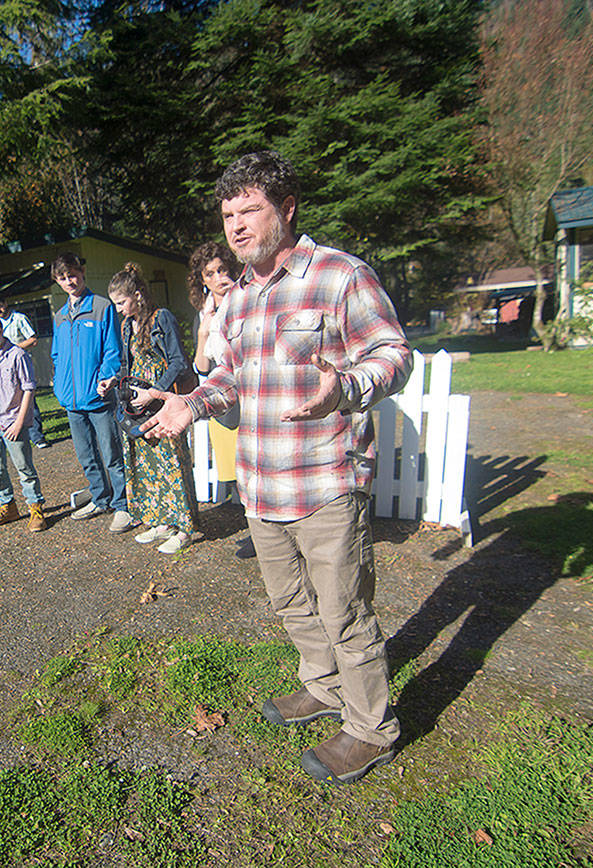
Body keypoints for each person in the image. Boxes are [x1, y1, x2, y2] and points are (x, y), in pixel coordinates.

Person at [141, 151, 413, 784]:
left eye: (250, 211)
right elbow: (230, 378)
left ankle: (371, 728)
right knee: (290, 601)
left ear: (287, 209)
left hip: (325, 480)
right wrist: (190, 403)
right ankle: (324, 686)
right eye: (228, 215)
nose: (236, 227)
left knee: (344, 611)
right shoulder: (236, 299)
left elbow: (394, 355)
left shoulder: (341, 276)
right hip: (260, 484)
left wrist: (346, 386)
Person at [100, 263, 197, 554]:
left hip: (162, 400)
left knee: (172, 461)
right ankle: (162, 520)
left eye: (121, 302)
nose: (118, 309)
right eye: (116, 303)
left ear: (138, 295)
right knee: (149, 463)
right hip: (138, 402)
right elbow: (127, 365)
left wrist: (154, 392)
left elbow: (179, 361)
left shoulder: (161, 317)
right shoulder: (126, 326)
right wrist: (114, 381)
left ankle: (185, 528)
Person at [49, 252, 135, 533]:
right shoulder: (60, 316)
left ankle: (123, 506)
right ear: (57, 281)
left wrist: (106, 378)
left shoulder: (102, 307)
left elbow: (112, 350)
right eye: (63, 278)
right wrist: (59, 384)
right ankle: (100, 499)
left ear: (82, 272)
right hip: (71, 401)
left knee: (111, 454)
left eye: (73, 275)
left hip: (98, 397)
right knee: (86, 455)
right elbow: (57, 354)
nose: (69, 281)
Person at [187, 241, 254, 559]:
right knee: (238, 473)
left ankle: (265, 535)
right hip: (222, 403)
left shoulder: (247, 302)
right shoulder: (203, 314)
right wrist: (203, 333)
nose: (218, 278)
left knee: (257, 469)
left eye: (222, 270)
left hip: (251, 398)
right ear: (202, 279)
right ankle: (257, 531)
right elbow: (201, 367)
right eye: (210, 273)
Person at [0, 310, 47, 533]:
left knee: (24, 467)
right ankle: (7, 505)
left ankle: (35, 508)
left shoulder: (18, 355)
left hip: (13, 422)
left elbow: (29, 390)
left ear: (0, 331)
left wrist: (19, 422)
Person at [0, 290, 49, 448]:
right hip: (3, 367)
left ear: (5, 303)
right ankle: (15, 432)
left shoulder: (19, 319)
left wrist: (12, 349)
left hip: (21, 364)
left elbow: (33, 339)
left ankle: (37, 436)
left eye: (0, 306)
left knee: (28, 398)